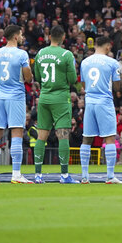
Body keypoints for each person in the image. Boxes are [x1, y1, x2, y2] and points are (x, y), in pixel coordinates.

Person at [0, 24, 33, 184]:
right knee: (17, 134)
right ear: (15, 36)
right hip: (16, 97)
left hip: (1, 97)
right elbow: (28, 78)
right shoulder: (21, 54)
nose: (22, 37)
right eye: (21, 35)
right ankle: (16, 174)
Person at [32, 25, 78, 184]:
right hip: (60, 98)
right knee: (63, 135)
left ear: (49, 36)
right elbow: (73, 80)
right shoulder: (67, 54)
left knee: (41, 137)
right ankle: (64, 176)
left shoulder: (40, 53)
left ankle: (38, 175)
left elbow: (37, 76)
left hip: (44, 98)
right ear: (63, 37)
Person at [79, 34, 122, 184]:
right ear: (108, 46)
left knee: (87, 138)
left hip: (89, 101)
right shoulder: (112, 62)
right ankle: (110, 176)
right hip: (104, 101)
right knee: (109, 137)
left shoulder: (85, 62)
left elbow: (83, 85)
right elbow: (117, 87)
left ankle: (85, 176)